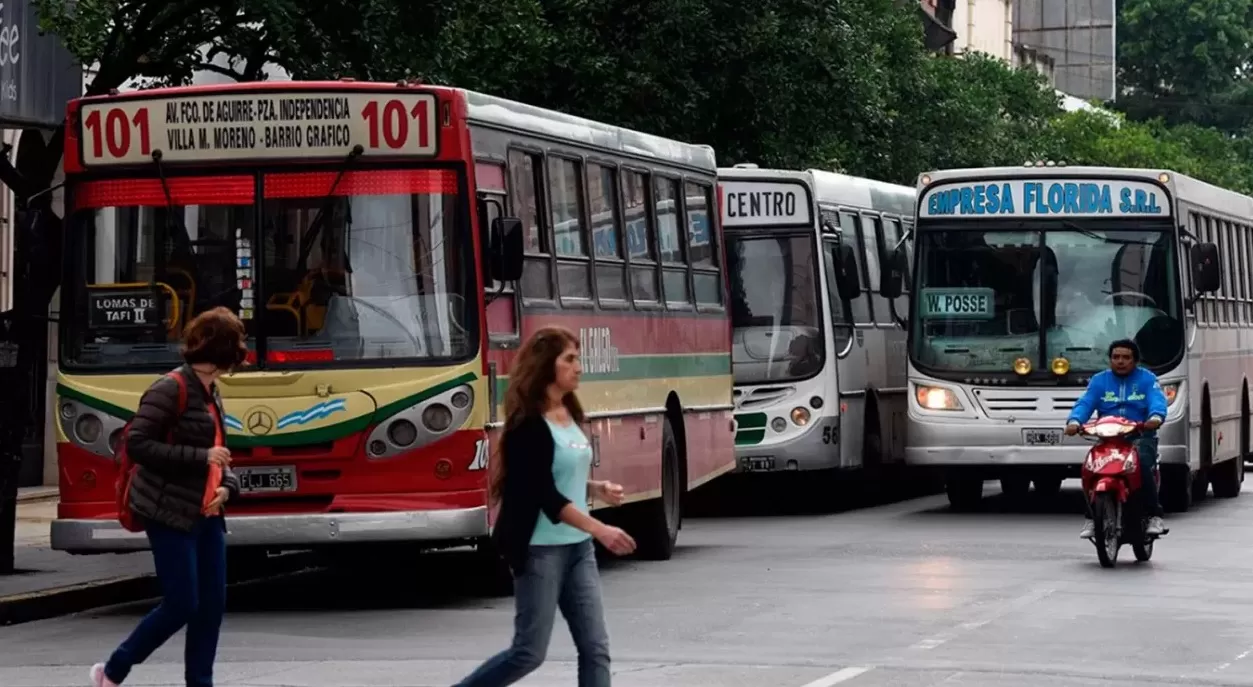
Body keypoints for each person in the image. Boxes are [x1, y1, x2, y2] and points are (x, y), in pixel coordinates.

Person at [453, 326, 638, 687]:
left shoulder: (569, 413)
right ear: (546, 366)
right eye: (569, 359)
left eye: (577, 358)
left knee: (595, 648)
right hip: (540, 551)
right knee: (529, 652)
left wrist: (595, 488)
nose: (579, 367)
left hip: (577, 549)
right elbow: (542, 493)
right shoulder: (528, 425)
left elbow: (556, 476)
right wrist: (600, 529)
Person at [91, 307, 246, 687]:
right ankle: (113, 670)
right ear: (221, 347)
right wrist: (201, 457)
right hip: (168, 510)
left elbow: (220, 450)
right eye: (236, 344)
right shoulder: (170, 388)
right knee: (182, 603)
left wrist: (228, 486)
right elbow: (138, 444)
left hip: (207, 511)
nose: (240, 353)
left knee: (211, 608)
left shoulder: (211, 390)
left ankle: (200, 683)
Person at [1065, 338, 1168, 539]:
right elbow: (1085, 403)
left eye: (1126, 358)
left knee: (1143, 464)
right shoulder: (1099, 381)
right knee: (1089, 468)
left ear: (1135, 361)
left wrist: (1155, 417)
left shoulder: (1148, 379)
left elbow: (1157, 401)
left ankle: (1155, 515)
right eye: (1116, 357)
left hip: (1139, 436)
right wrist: (1075, 421)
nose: (1120, 361)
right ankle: (1091, 517)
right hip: (1107, 438)